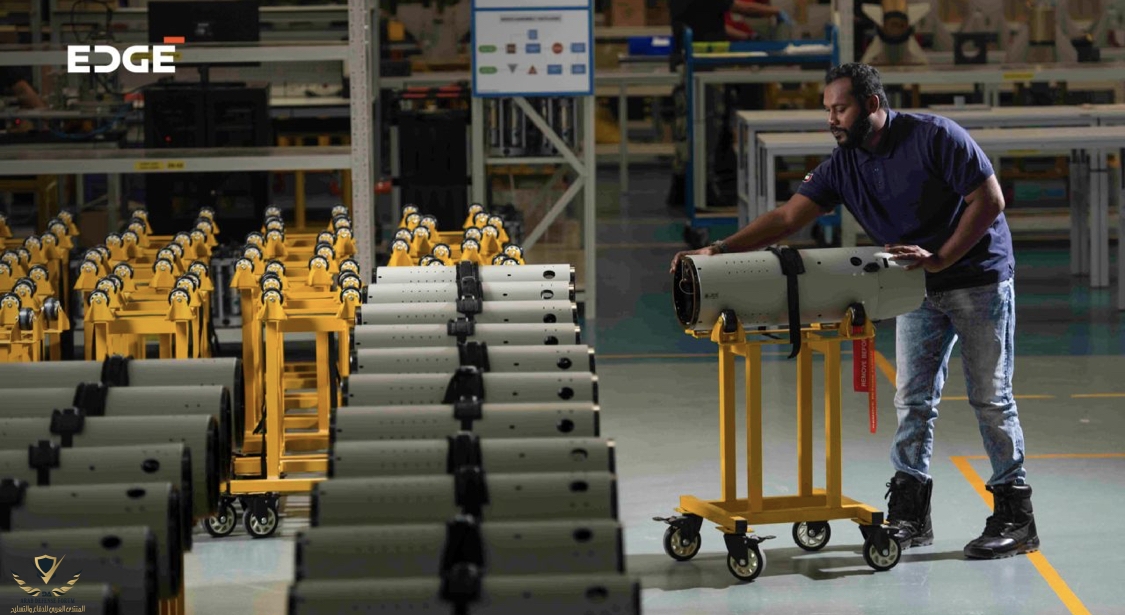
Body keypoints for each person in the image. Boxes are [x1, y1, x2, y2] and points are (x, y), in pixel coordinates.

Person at [669, 63, 1038, 560]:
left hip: (978, 279)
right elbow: (788, 217)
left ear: (872, 105)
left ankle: (1016, 518)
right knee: (913, 400)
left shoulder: (935, 137)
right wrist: (718, 250)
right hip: (915, 285)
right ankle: (910, 514)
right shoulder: (843, 164)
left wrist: (943, 257)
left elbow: (989, 200)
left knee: (990, 398)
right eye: (828, 110)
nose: (832, 119)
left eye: (840, 109)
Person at [667, 0, 792, 210]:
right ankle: (700, 191)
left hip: (697, 58)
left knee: (693, 129)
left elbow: (710, 25)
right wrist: (775, 11)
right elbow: (739, 7)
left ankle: (682, 190)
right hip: (699, 63)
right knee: (705, 127)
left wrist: (746, 37)